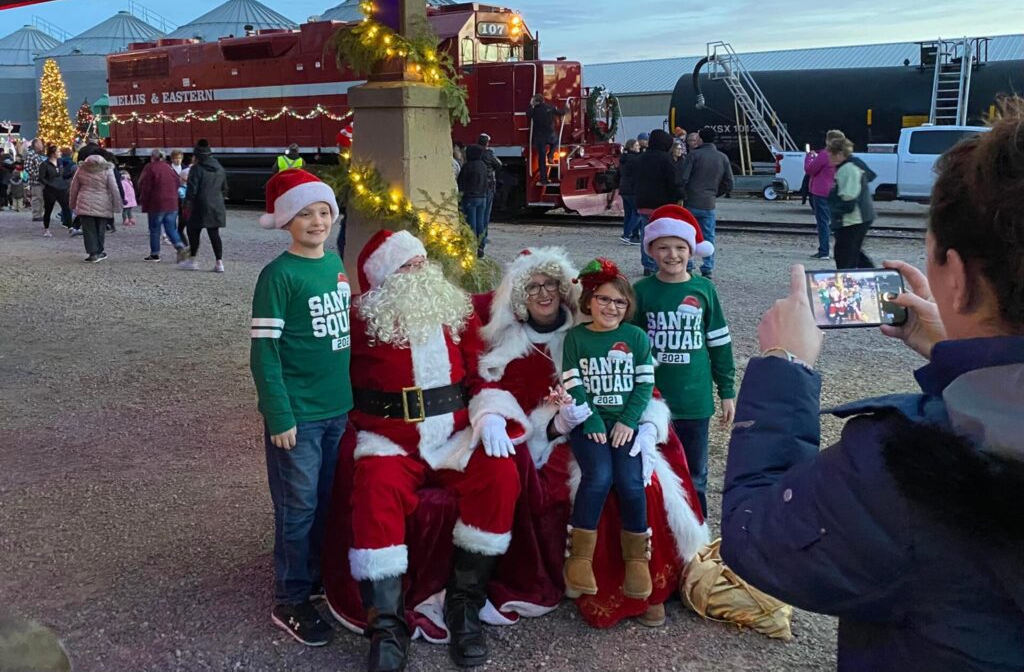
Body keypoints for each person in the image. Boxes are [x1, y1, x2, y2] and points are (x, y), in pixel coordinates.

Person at [721, 105, 1024, 671]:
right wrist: (954, 353)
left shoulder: (910, 472)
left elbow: (755, 534)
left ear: (957, 279)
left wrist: (784, 365)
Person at [475, 248, 709, 630]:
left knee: (645, 484)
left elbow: (643, 388)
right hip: (556, 441)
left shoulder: (593, 327)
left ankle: (648, 592)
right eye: (533, 287)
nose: (543, 293)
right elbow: (511, 409)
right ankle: (584, 583)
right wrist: (554, 426)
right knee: (578, 485)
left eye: (550, 284)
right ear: (520, 296)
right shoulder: (513, 350)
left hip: (619, 427)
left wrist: (648, 428)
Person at [342, 230, 521, 670]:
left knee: (500, 476)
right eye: (407, 265)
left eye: (422, 261)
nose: (420, 271)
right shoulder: (359, 320)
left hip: (454, 436)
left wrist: (489, 414)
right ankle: (387, 627)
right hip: (389, 439)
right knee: (375, 492)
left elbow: (480, 373)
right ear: (383, 277)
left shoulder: (453, 312)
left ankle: (464, 604)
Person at [250, 169, 351, 647]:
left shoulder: (334, 263)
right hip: (299, 417)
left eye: (324, 212)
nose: (317, 222)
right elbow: (264, 352)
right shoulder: (278, 276)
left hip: (338, 411)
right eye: (305, 213)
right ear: (287, 221)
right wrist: (279, 413)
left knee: (326, 500)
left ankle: (315, 578)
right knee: (297, 507)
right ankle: (290, 598)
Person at [561, 258, 656, 601]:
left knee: (630, 482)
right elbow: (573, 384)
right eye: (604, 299)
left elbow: (644, 384)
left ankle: (637, 560)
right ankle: (579, 558)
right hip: (590, 422)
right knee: (599, 476)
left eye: (619, 302)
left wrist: (629, 421)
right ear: (589, 300)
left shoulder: (636, 337)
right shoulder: (576, 338)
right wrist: (591, 420)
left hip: (625, 423)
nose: (611, 307)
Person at [634, 205, 735, 517]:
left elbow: (719, 342)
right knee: (652, 471)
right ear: (651, 250)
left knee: (695, 475)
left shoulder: (704, 289)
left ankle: (697, 532)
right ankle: (659, 529)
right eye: (663, 247)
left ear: (691, 251)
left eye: (680, 247)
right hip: (653, 402)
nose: (672, 255)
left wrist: (727, 391)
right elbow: (632, 346)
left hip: (695, 402)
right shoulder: (641, 291)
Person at [678, 127, 733, 279]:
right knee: (709, 236)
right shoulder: (722, 157)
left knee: (688, 235)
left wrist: (685, 194)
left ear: (700, 139)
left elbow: (683, 178)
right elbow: (729, 183)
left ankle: (688, 265)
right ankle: (707, 267)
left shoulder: (693, 155)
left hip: (691, 202)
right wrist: (714, 193)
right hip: (709, 203)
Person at [632, 129, 685, 276]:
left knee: (646, 234)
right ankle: (657, 265)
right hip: (662, 205)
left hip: (643, 203)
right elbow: (674, 181)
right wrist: (681, 196)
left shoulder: (640, 158)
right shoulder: (666, 159)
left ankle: (647, 265)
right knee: (660, 236)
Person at [827, 136, 876, 269]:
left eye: (831, 154)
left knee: (844, 255)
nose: (828, 157)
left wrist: (836, 213)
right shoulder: (853, 164)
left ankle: (846, 278)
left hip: (853, 219)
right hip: (861, 217)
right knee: (853, 252)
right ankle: (873, 274)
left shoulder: (847, 169)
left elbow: (848, 198)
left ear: (840, 154)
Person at [180, 139, 228, 272]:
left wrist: (186, 204)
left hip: (199, 205)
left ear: (197, 155)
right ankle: (219, 263)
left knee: (193, 231)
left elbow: (192, 190)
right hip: (216, 204)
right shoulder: (219, 168)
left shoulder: (196, 169)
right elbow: (224, 188)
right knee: (214, 233)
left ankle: (192, 261)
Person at [137, 150, 190, 262]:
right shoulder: (169, 168)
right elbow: (177, 182)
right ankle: (180, 247)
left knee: (155, 229)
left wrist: (143, 201)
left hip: (156, 203)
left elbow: (146, 186)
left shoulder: (150, 168)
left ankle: (155, 254)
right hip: (172, 203)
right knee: (171, 228)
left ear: (152, 157)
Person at [69, 153, 122, 263]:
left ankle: (92, 253)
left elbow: (74, 188)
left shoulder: (81, 169)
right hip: (103, 203)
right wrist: (117, 206)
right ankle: (99, 251)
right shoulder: (107, 170)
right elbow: (114, 189)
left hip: (84, 202)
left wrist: (72, 204)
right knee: (100, 229)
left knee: (88, 230)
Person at [804, 130, 845, 260]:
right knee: (834, 222)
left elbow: (810, 169)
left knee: (823, 222)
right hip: (835, 191)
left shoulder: (825, 154)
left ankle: (824, 251)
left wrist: (809, 157)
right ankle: (840, 251)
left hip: (821, 192)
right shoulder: (842, 155)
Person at [457, 144, 489, 257]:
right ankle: (481, 246)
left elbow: (460, 182)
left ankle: (471, 247)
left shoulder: (467, 166)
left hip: (470, 198)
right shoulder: (483, 165)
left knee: (471, 224)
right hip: (482, 198)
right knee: (481, 223)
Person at [526, 94, 567, 183]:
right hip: (550, 134)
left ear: (536, 102)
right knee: (556, 141)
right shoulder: (550, 107)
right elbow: (561, 113)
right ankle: (551, 155)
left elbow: (527, 113)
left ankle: (543, 179)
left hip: (539, 137)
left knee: (541, 159)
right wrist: (566, 107)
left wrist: (530, 104)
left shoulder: (534, 110)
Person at [38, 144, 72, 237]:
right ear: (52, 153)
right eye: (58, 151)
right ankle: (46, 229)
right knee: (48, 209)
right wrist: (49, 184)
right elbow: (41, 177)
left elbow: (63, 175)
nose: (60, 153)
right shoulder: (45, 164)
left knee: (66, 208)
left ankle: (70, 227)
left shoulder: (60, 162)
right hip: (50, 190)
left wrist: (71, 174)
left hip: (61, 188)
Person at [477, 133, 502, 253]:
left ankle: (477, 238)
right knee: (485, 214)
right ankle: (483, 238)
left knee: (478, 214)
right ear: (487, 143)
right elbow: (499, 164)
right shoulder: (489, 153)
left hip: (478, 187)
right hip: (488, 186)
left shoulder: (475, 153)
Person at [617, 139, 642, 245]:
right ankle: (627, 234)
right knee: (637, 213)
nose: (639, 147)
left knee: (628, 214)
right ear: (631, 147)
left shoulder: (623, 158)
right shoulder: (635, 159)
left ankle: (631, 235)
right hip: (632, 189)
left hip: (624, 188)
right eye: (637, 145)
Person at [169, 149, 189, 248]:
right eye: (176, 158)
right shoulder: (169, 169)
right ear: (172, 159)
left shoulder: (185, 168)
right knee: (172, 217)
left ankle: (179, 234)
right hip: (173, 196)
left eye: (180, 158)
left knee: (182, 217)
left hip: (183, 196)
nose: (178, 160)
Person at [24, 138, 44, 221]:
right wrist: (36, 175)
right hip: (35, 181)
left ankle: (40, 214)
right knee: (36, 198)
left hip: (41, 181)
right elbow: (27, 167)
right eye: (40, 143)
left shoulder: (37, 154)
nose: (42, 145)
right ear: (36, 144)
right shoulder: (31, 154)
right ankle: (36, 215)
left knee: (41, 198)